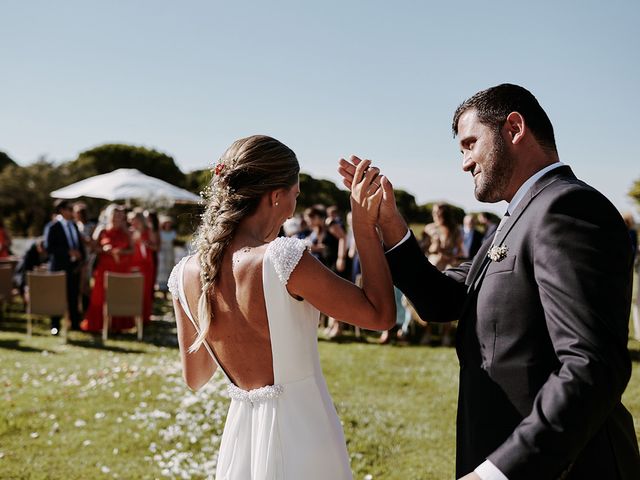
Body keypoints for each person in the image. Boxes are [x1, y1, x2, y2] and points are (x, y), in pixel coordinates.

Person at [338, 83, 640, 480]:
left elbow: (591, 366)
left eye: (469, 144)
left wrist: (498, 473)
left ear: (514, 128)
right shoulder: (517, 218)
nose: (464, 163)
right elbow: (442, 301)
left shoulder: (567, 208)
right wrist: (391, 222)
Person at [169, 135, 394, 479]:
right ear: (276, 196)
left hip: (241, 441)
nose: (295, 203)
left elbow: (196, 377)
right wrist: (362, 227)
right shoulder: (283, 259)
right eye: (296, 194)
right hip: (303, 434)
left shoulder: (183, 274)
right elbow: (380, 316)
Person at [81, 204, 134, 333]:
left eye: (120, 216)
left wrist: (121, 252)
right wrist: (104, 250)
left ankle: (119, 326)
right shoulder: (101, 230)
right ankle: (98, 325)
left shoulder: (126, 232)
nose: (117, 219)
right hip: (104, 269)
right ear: (109, 216)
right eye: (115, 216)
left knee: (120, 297)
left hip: (121, 269)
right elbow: (93, 248)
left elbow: (132, 250)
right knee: (100, 297)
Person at [45, 199, 85, 333]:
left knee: (73, 296)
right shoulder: (53, 226)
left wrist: (81, 257)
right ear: (62, 210)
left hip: (74, 268)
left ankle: (74, 324)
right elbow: (49, 248)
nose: (72, 211)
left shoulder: (73, 226)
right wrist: (67, 252)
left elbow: (79, 245)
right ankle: (55, 326)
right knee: (56, 297)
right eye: (69, 209)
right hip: (59, 268)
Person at [156, 215, 177, 295]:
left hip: (170, 253)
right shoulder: (160, 233)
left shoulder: (173, 233)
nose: (168, 225)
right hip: (162, 253)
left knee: (169, 268)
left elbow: (174, 243)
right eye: (166, 223)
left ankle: (169, 287)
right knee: (162, 269)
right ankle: (161, 287)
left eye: (169, 223)